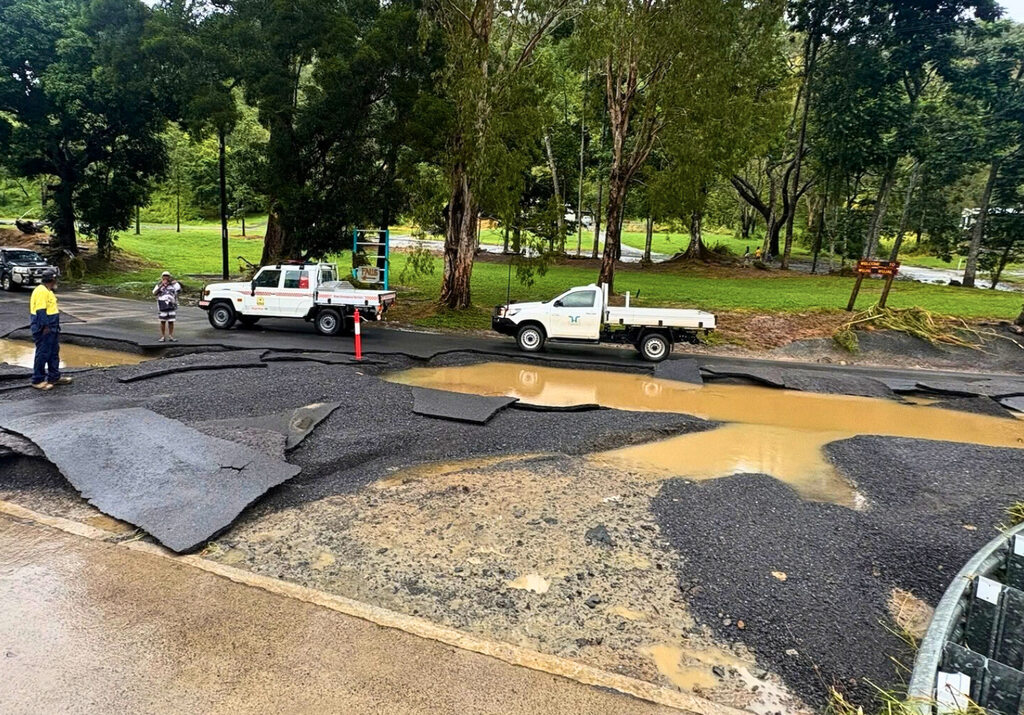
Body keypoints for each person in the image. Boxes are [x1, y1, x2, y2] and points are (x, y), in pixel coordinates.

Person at [29, 270, 71, 391]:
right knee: (43, 353)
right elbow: (40, 310)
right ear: (52, 280)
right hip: (44, 328)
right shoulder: (41, 291)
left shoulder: (48, 291)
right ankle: (37, 380)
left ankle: (54, 377)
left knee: (53, 353)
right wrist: (45, 327)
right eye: (55, 279)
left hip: (52, 327)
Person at [152, 271, 182, 342]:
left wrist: (172, 283)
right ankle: (162, 336)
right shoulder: (159, 284)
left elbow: (179, 290)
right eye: (164, 276)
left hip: (171, 305)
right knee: (162, 321)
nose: (165, 277)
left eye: (167, 276)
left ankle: (171, 336)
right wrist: (161, 285)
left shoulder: (174, 285)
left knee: (171, 321)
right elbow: (154, 293)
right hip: (162, 305)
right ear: (162, 277)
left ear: (169, 277)